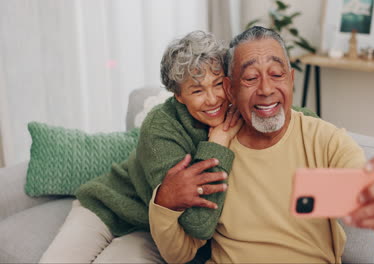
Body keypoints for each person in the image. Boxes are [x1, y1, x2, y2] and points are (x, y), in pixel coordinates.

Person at [149, 26, 374, 263]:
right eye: (251, 78)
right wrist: (164, 203)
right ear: (230, 89)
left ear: (291, 79)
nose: (266, 89)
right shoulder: (218, 150)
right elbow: (179, 253)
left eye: (276, 74)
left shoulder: (323, 140)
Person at [39, 30, 243, 263]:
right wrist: (217, 144)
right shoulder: (160, 126)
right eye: (197, 90)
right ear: (178, 96)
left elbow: (196, 226)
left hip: (151, 229)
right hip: (108, 207)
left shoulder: (240, 113)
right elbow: (196, 223)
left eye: (218, 84)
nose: (213, 98)